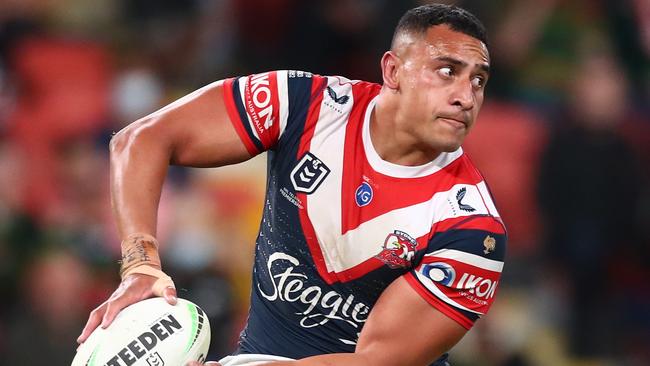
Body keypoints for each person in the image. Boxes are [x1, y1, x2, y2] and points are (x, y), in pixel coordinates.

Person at [77, 4, 506, 366]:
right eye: (447, 71)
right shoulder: (305, 105)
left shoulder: (472, 228)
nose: (465, 96)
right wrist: (140, 265)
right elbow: (142, 138)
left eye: (478, 80)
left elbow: (373, 362)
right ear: (393, 70)